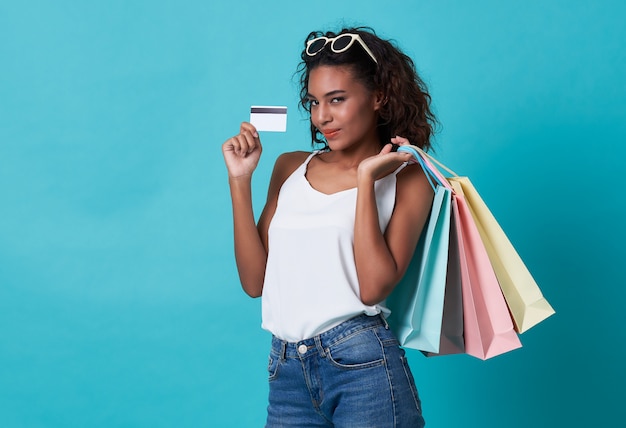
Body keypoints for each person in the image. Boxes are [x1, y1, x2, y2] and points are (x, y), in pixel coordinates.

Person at [222, 27, 437, 427]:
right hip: (286, 369)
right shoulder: (290, 166)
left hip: (364, 364)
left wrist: (365, 183)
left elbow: (373, 287)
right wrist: (240, 180)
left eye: (337, 100)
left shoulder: (409, 179)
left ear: (379, 97)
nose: (322, 116)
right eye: (315, 102)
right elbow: (255, 283)